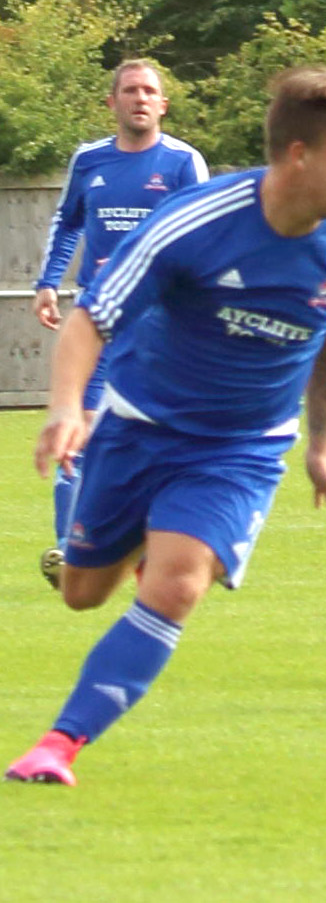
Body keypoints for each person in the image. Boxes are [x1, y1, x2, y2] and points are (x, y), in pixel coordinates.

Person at [7, 61, 326, 786]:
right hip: (141, 426)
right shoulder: (193, 222)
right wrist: (64, 410)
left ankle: (59, 743)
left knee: (177, 587)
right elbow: (90, 320)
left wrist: (323, 446)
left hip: (242, 451)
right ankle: (149, 541)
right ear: (300, 155)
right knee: (81, 592)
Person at [30, 60, 211, 586]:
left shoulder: (183, 163)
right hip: (99, 320)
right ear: (112, 103)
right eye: (130, 90)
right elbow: (67, 222)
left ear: (163, 105)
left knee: (159, 438)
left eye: (149, 90)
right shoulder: (89, 160)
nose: (140, 98)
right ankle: (71, 553)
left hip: (160, 323)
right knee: (78, 430)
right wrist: (48, 281)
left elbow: (198, 240)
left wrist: (140, 264)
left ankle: (158, 544)